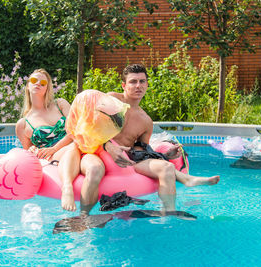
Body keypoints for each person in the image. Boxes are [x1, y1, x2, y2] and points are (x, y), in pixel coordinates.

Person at [101, 64, 220, 211]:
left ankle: (168, 214)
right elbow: (89, 126)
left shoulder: (146, 121)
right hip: (102, 152)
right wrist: (109, 146)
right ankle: (186, 179)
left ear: (147, 85)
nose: (138, 86)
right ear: (124, 85)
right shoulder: (111, 100)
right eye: (133, 81)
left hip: (127, 159)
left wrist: (163, 156)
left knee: (167, 167)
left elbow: (140, 152)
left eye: (142, 81)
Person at [15, 69, 81, 212]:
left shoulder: (60, 104)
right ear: (27, 85)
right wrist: (32, 149)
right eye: (34, 81)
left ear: (47, 88)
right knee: (73, 148)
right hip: (54, 156)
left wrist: (54, 148)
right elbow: (28, 152)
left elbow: (74, 130)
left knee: (76, 144)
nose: (38, 84)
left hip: (71, 144)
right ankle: (67, 188)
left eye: (43, 83)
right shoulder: (23, 124)